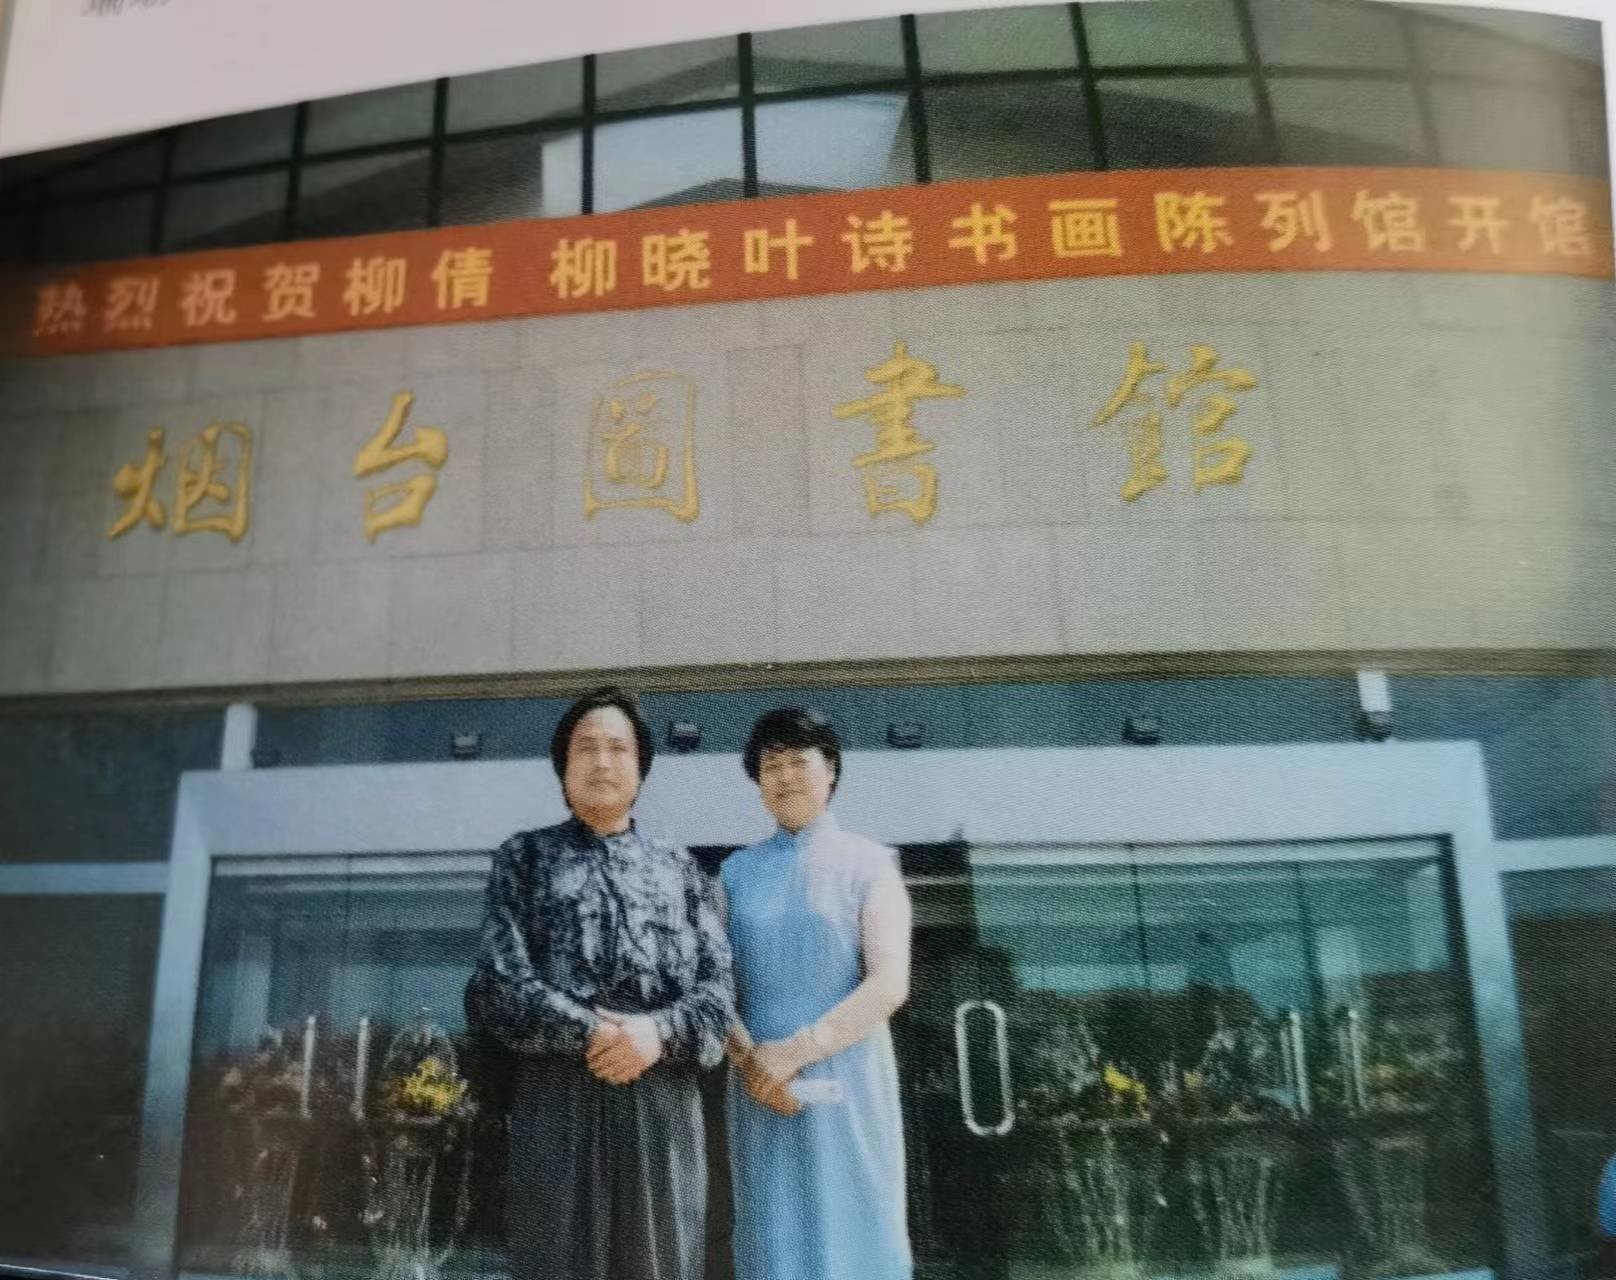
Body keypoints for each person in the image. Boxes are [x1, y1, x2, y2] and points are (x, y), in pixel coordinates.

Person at [464, 686, 733, 1280]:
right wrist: (595, 1031)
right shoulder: (525, 858)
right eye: (586, 748)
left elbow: (718, 998)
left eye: (618, 748)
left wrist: (656, 1034)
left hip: (662, 1101)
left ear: (641, 767)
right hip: (557, 1095)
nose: (602, 761)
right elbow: (499, 985)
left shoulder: (681, 869)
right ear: (563, 768)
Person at [721, 707, 914, 1280]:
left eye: (798, 762)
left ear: (830, 770)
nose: (784, 777)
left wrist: (797, 1051)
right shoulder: (733, 874)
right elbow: (712, 986)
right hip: (759, 1086)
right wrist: (753, 1063)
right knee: (772, 1238)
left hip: (849, 1077)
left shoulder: (872, 865)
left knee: (858, 1230)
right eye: (769, 766)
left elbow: (889, 983)